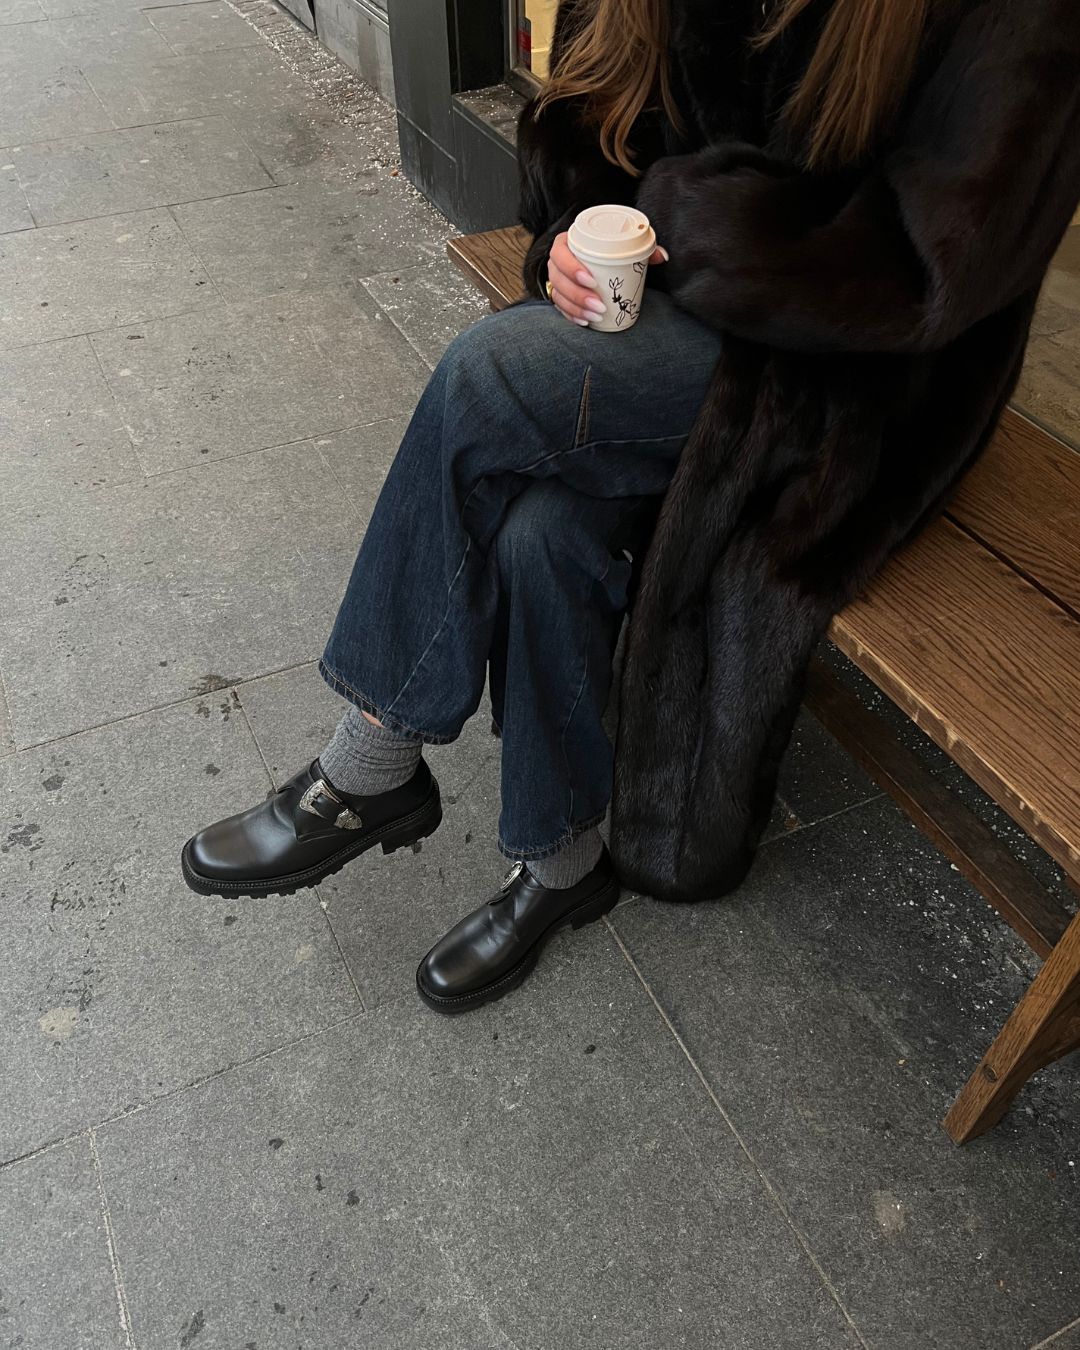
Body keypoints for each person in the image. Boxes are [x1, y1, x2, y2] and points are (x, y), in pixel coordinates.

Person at [182, 0, 1080, 1013]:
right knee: (537, 529)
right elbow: (596, 114)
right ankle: (564, 864)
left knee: (488, 378)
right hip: (675, 309)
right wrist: (580, 238)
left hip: (856, 385)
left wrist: (691, 223)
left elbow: (935, 261)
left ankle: (375, 759)